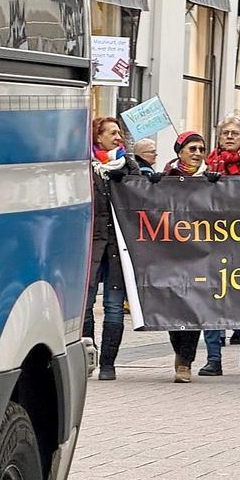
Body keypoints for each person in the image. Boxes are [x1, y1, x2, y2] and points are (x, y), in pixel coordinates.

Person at [197, 115, 240, 377]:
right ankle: (214, 358)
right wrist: (205, 182)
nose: (229, 137)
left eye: (235, 133)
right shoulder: (208, 163)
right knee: (210, 297)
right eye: (225, 133)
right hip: (213, 240)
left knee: (239, 296)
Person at [160, 131, 217, 382]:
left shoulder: (212, 179)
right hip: (171, 253)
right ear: (180, 151)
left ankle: (185, 362)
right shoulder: (165, 179)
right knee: (173, 307)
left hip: (201, 253)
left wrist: (218, 185)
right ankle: (178, 350)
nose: (197, 153)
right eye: (192, 148)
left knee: (194, 307)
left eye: (201, 149)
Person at [85, 117, 139, 380]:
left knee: (114, 305)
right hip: (90, 248)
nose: (118, 137)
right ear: (98, 137)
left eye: (119, 132)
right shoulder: (84, 167)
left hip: (118, 249)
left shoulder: (128, 165)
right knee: (85, 304)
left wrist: (127, 177)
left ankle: (108, 363)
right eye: (113, 133)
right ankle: (88, 355)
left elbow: (143, 197)